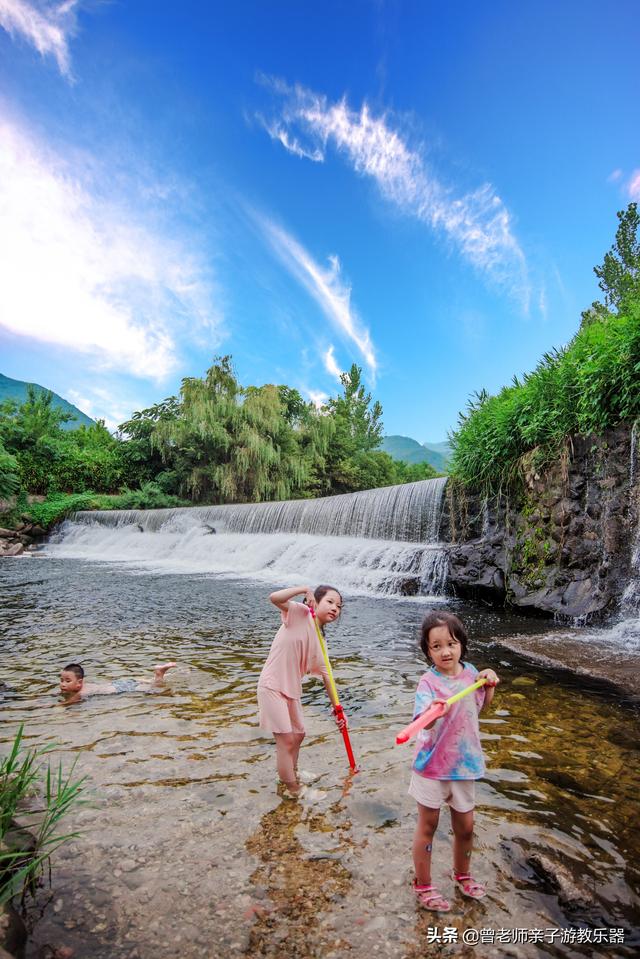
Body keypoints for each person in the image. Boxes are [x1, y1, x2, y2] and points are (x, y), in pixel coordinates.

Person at [409, 611, 499, 913]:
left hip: (464, 764)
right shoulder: (427, 682)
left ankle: (462, 874)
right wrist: (434, 712)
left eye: (451, 643)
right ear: (428, 651)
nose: (445, 651)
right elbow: (422, 724)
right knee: (429, 824)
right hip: (432, 766)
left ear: (462, 644)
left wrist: (488, 686)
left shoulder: (471, 672)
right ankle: (423, 883)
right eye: (436, 646)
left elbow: (480, 707)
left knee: (466, 826)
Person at [257, 584, 345, 797]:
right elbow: (274, 597)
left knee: (299, 734)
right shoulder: (299, 613)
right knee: (286, 740)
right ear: (315, 600)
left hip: (291, 690)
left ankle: (290, 774)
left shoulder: (320, 640)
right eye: (330, 602)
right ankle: (294, 789)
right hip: (272, 685)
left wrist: (339, 711)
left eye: (339, 606)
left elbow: (327, 677)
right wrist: (304, 589)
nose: (335, 608)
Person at [59, 662, 176, 705]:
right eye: (62, 680)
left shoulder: (81, 693)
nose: (63, 684)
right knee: (146, 683)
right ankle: (157, 674)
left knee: (155, 688)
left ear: (79, 683)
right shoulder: (84, 686)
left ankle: (159, 673)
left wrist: (52, 707)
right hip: (118, 683)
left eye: (67, 681)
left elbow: (67, 703)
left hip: (120, 689)